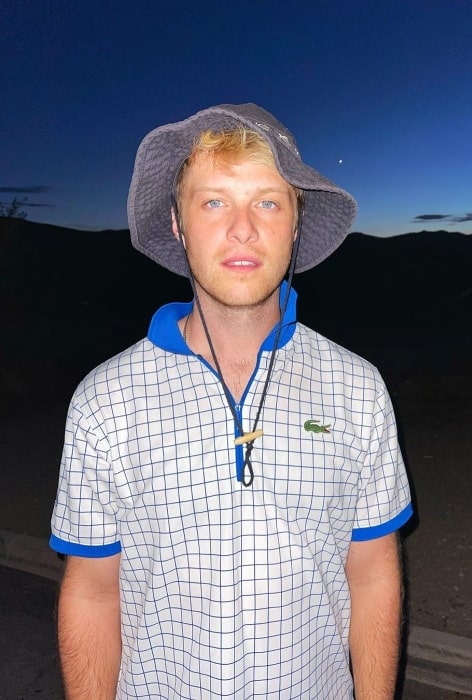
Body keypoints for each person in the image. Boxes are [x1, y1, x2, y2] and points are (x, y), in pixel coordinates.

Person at [50, 103, 412, 699]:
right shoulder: (103, 401)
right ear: (178, 223)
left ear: (296, 225)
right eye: (214, 200)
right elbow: (92, 589)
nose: (243, 229)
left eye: (267, 201)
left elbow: (373, 575)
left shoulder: (358, 389)